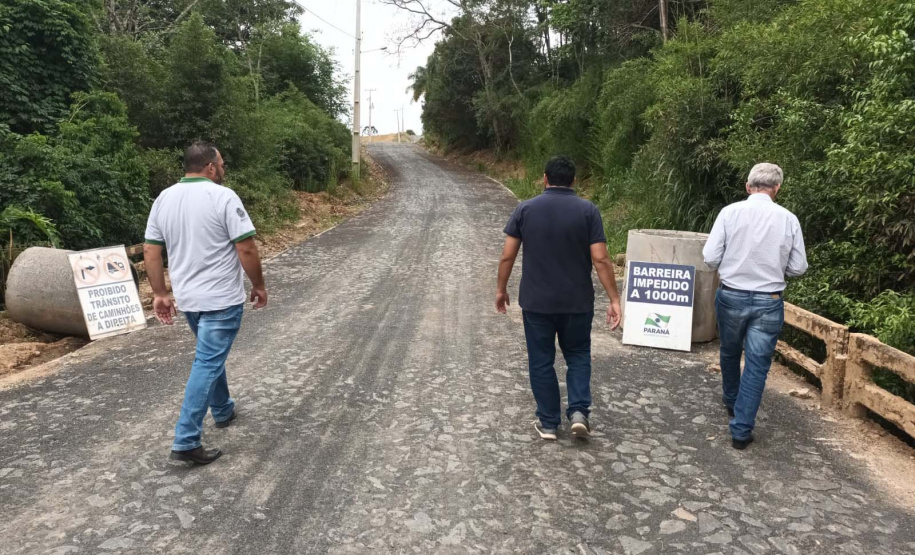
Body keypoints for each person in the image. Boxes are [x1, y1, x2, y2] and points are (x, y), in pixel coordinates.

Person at [144, 141, 268, 465]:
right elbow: (247, 249)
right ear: (210, 167)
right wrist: (259, 285)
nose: (224, 170)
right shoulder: (223, 196)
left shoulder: (163, 199)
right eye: (222, 165)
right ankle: (186, 440)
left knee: (209, 356)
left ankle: (224, 409)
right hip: (221, 300)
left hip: (190, 301)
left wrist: (160, 293)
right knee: (207, 362)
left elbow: (151, 251)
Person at [496, 155, 622, 440]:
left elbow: (507, 255)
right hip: (577, 302)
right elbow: (601, 259)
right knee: (578, 355)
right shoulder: (588, 211)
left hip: (537, 303)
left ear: (544, 179)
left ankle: (549, 422)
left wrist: (501, 290)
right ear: (574, 181)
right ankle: (578, 412)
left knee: (541, 360)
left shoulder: (525, 209)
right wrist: (614, 299)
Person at [702, 162, 808, 450]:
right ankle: (741, 429)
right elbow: (799, 267)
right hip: (769, 301)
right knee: (758, 366)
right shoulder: (788, 219)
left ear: (748, 187)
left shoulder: (729, 213)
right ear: (777, 189)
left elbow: (710, 257)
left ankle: (731, 399)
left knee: (729, 351)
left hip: (732, 294)